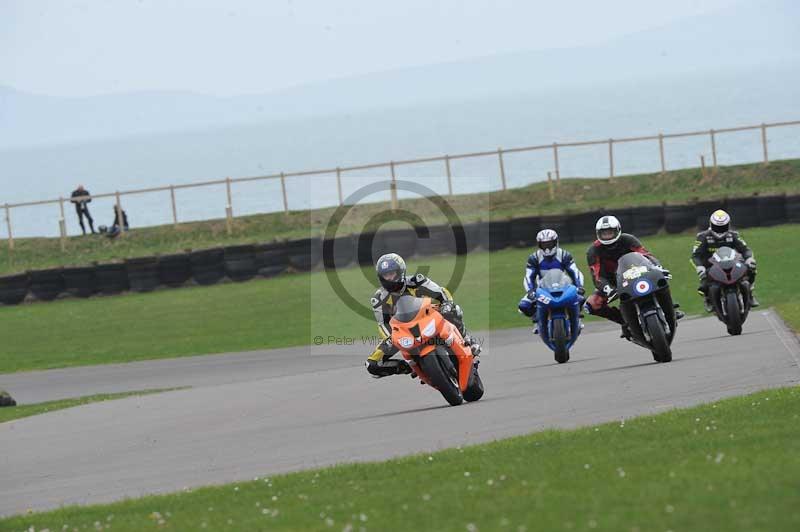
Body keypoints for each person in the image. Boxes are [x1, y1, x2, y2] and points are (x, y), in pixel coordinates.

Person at [365, 253, 481, 378]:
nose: (389, 278)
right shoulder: (379, 299)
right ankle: (409, 366)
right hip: (404, 332)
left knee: (452, 310)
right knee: (372, 365)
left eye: (391, 274)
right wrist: (390, 337)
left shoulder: (417, 281)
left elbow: (441, 292)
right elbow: (383, 324)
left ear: (400, 272)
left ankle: (468, 341)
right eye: (385, 275)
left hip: (428, 317)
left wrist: (447, 303)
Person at [585, 215, 684, 337]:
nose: (607, 236)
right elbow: (596, 275)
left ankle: (670, 309)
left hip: (636, 273)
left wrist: (658, 268)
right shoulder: (593, 251)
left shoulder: (628, 239)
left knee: (658, 280)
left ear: (618, 230)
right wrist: (609, 289)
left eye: (610, 232)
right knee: (592, 304)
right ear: (598, 234)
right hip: (611, 282)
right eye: (604, 233)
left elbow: (646, 255)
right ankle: (625, 321)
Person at [517, 229, 585, 334]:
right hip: (542, 289)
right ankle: (537, 320)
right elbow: (528, 276)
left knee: (581, 299)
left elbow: (575, 272)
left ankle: (576, 319)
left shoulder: (564, 255)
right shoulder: (534, 258)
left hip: (563, 286)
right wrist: (530, 291)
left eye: (549, 244)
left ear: (556, 242)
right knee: (524, 306)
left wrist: (579, 286)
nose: (547, 248)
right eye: (544, 245)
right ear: (539, 245)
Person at [691, 209, 758, 310]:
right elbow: (695, 255)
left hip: (733, 263)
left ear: (728, 224)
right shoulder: (702, 236)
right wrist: (700, 267)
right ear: (711, 224)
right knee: (704, 284)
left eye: (722, 227)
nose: (720, 229)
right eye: (717, 227)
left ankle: (750, 294)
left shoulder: (733, 235)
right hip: (711, 266)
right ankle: (708, 299)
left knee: (751, 269)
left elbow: (745, 249)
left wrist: (749, 259)